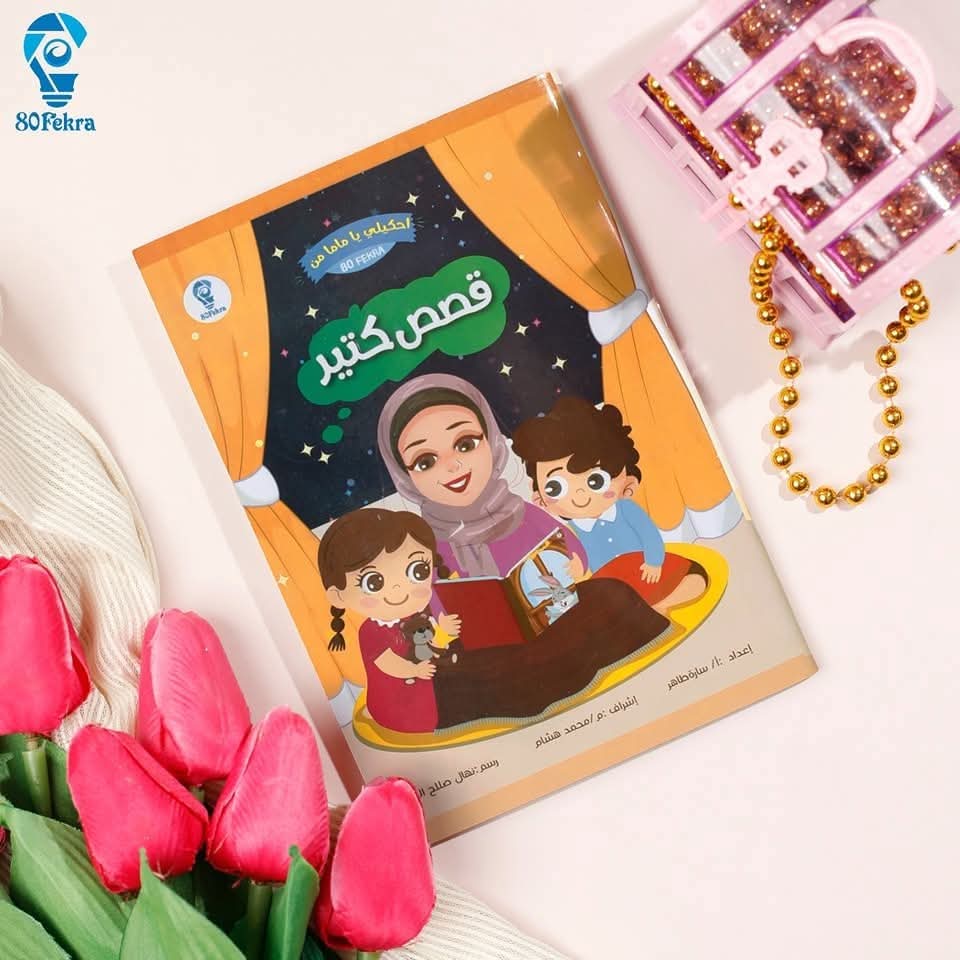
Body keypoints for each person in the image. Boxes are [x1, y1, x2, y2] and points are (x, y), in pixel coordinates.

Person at [377, 374, 587, 580]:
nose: (452, 465)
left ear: (491, 441)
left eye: (466, 444)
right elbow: (429, 593)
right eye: (425, 462)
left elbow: (573, 550)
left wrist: (576, 566)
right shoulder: (428, 548)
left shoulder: (521, 514)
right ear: (404, 477)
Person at [512, 395, 707, 615]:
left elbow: (649, 534)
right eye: (555, 487)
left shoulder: (626, 509)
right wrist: (578, 567)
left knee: (695, 579)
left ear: (628, 482)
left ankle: (661, 606)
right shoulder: (571, 531)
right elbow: (579, 559)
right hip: (611, 582)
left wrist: (654, 561)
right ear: (540, 499)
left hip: (645, 569)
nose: (579, 494)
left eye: (596, 480)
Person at [319, 507, 460, 734]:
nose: (398, 588)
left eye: (417, 571)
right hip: (399, 701)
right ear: (338, 596)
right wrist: (414, 670)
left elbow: (431, 649)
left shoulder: (422, 615)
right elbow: (389, 664)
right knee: (449, 704)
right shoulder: (372, 631)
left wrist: (444, 633)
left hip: (428, 680)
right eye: (373, 583)